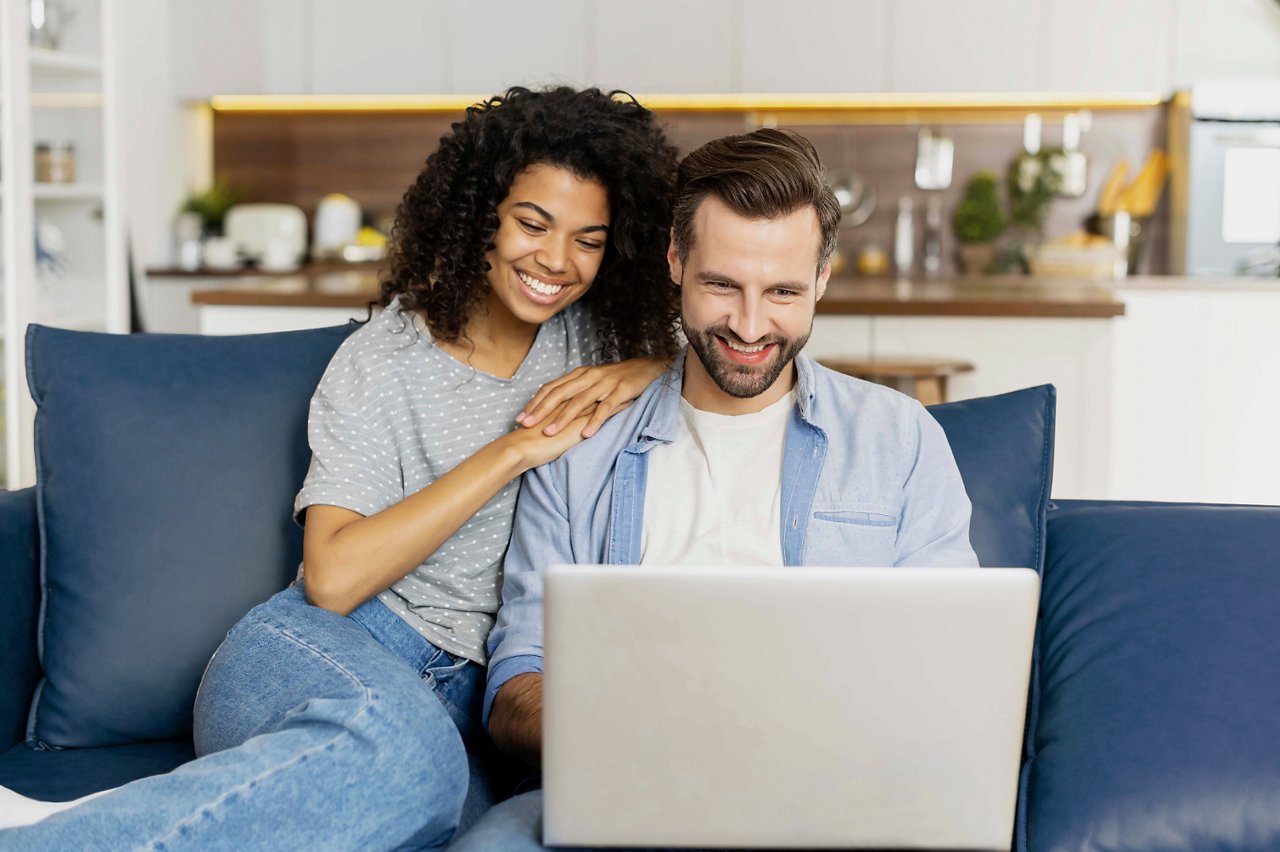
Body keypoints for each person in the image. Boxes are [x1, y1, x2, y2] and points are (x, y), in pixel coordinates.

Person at [1, 86, 681, 851]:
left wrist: (651, 368)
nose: (556, 261)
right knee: (410, 764)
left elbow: (735, 355)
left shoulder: (599, 346)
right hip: (325, 650)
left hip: (479, 703)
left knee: (465, 819)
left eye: (589, 239)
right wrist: (510, 451)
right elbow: (332, 577)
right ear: (481, 215)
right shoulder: (386, 358)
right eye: (532, 223)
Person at [448, 128, 978, 850]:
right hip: (621, 790)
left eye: (784, 292)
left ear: (822, 279)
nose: (751, 327)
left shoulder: (900, 440)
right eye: (722, 285)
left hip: (828, 800)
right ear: (675, 259)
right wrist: (632, 733)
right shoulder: (578, 446)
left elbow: (951, 675)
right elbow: (515, 687)